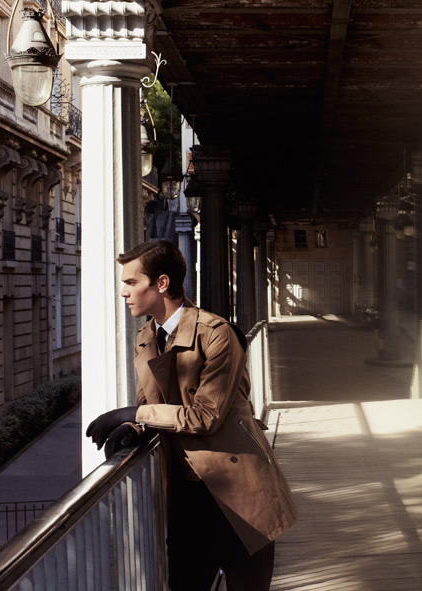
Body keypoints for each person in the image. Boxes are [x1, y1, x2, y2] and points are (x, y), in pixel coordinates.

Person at [86, 240, 297, 591]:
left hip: (239, 489)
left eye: (131, 282)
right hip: (186, 495)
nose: (123, 292)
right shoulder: (146, 339)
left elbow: (205, 416)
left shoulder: (217, 334)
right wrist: (134, 428)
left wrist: (132, 411)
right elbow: (153, 406)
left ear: (162, 283)